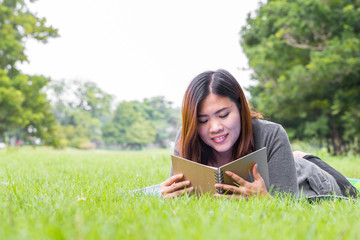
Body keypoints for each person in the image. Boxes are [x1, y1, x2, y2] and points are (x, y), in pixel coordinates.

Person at [159, 69, 358, 199]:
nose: (215, 127)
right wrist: (168, 196)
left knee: (354, 196)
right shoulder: (186, 137)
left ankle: (302, 157)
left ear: (241, 109)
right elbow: (177, 193)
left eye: (224, 114)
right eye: (203, 120)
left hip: (307, 177)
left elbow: (289, 207)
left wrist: (264, 199)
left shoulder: (272, 134)